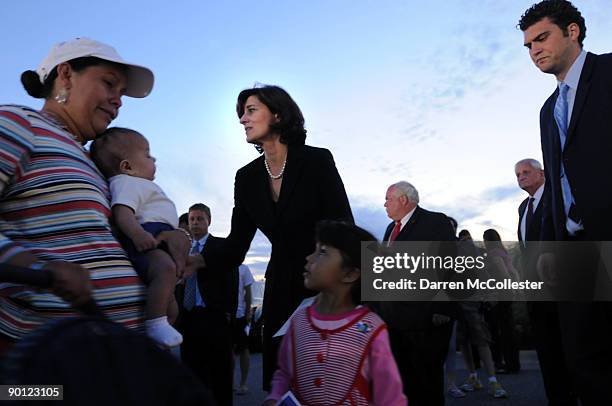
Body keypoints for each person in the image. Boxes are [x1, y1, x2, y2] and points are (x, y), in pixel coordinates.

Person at [0, 37, 189, 356]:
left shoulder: (93, 162)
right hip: (50, 365)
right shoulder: (18, 124)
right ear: (65, 75)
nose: (119, 100)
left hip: (120, 356)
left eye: (122, 93)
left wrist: (165, 237)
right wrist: (36, 268)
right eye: (109, 83)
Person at [187, 85, 353, 388]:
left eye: (251, 111)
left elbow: (344, 227)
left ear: (277, 114)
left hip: (325, 285)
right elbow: (236, 245)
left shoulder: (316, 161)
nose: (242, 120)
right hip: (281, 288)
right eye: (242, 113)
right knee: (284, 384)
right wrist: (193, 261)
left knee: (328, 382)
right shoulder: (246, 177)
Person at [520, 1, 612, 403]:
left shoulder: (609, 72)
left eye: (542, 38)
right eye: (528, 45)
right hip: (573, 254)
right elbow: (557, 185)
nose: (534, 50)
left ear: (572, 31)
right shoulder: (546, 110)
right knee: (585, 363)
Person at [264, 220, 406, 406]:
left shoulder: (371, 328)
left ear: (350, 274)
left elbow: (390, 396)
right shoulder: (298, 320)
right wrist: (274, 397)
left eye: (322, 252)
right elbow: (284, 372)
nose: (309, 258)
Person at [90, 127, 183, 347]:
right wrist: (137, 234)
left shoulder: (137, 183)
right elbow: (123, 212)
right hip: (147, 237)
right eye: (147, 155)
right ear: (127, 167)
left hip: (158, 237)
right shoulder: (126, 183)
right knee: (165, 271)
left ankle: (159, 326)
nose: (154, 158)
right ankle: (154, 324)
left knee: (169, 300)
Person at [377, 181, 456, 405]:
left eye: (388, 199)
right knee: (403, 383)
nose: (384, 204)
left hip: (426, 319)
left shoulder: (435, 222)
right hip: (395, 319)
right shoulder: (390, 229)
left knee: (426, 384)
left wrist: (443, 307)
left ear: (403, 199)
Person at [515, 158, 577, 405]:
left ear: (542, 173)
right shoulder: (522, 207)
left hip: (561, 285)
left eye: (526, 172)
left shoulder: (557, 196)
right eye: (517, 174)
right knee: (548, 351)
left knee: (570, 348)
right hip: (535, 290)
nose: (520, 177)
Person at [177, 203, 237, 406]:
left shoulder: (221, 247)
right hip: (188, 318)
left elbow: (232, 279)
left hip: (214, 316)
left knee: (220, 373)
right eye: (192, 219)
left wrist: (228, 311)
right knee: (192, 372)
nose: (195, 223)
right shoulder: (182, 249)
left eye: (199, 219)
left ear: (209, 221)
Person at [233, 263, 255, 395]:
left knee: (243, 349)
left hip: (240, 315)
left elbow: (248, 293)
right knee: (227, 350)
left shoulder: (243, 268)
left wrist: (247, 313)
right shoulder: (223, 265)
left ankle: (243, 383)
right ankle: (230, 382)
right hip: (225, 314)